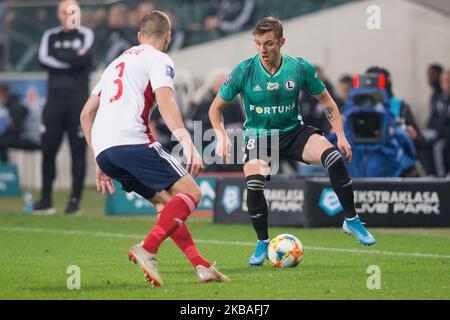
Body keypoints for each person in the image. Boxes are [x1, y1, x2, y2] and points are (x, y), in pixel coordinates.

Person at [209, 17, 376, 266]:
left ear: (281, 42)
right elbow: (215, 108)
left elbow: (327, 101)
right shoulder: (244, 70)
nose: (263, 50)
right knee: (254, 184)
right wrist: (221, 136)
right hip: (259, 136)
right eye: (258, 44)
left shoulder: (299, 68)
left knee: (334, 157)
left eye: (268, 43)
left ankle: (351, 220)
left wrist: (340, 136)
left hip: (293, 132)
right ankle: (262, 242)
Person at [80, 10, 229, 286]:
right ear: (168, 36)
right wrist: (187, 142)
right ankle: (147, 248)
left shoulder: (115, 63)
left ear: (139, 36)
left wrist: (98, 158)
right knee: (192, 192)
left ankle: (201, 266)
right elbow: (166, 102)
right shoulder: (159, 59)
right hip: (132, 141)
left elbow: (86, 113)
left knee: (165, 205)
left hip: (106, 151)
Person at [35, 0, 94, 214]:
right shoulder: (50, 36)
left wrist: (61, 59)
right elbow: (43, 59)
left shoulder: (86, 34)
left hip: (77, 103)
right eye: (64, 11)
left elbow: (84, 59)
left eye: (73, 11)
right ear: (59, 14)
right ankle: (46, 200)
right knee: (48, 149)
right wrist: (71, 59)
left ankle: (74, 201)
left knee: (77, 150)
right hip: (54, 102)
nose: (68, 15)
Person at [0, 85, 40, 163]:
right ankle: (5, 169)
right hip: (31, 137)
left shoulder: (16, 107)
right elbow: (12, 129)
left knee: (1, 143)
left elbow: (17, 130)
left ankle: (6, 170)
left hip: (34, 139)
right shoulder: (14, 104)